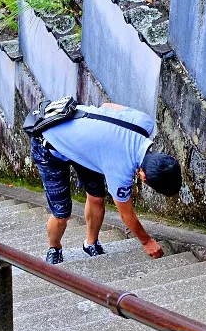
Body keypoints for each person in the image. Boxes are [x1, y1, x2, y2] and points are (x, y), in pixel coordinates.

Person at [29, 102, 182, 264]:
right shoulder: (120, 170)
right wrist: (146, 241)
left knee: (96, 197)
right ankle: (54, 248)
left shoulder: (145, 123)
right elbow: (126, 214)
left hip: (89, 148)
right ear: (143, 175)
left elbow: (107, 105)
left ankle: (90, 243)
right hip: (48, 143)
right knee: (62, 213)